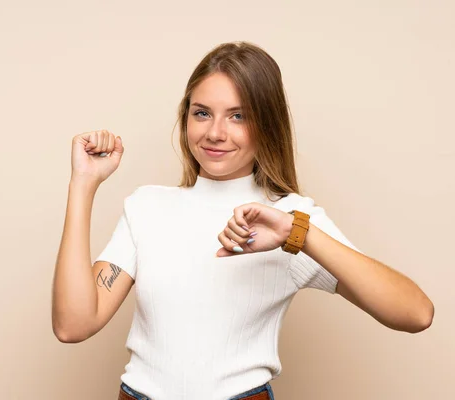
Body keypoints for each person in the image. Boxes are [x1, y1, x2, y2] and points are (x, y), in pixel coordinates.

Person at [52, 41, 434, 400]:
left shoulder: (289, 217)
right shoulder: (147, 206)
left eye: (238, 116)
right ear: (186, 117)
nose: (215, 133)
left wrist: (296, 233)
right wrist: (83, 184)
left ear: (267, 124)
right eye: (202, 113)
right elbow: (73, 325)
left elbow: (416, 313)